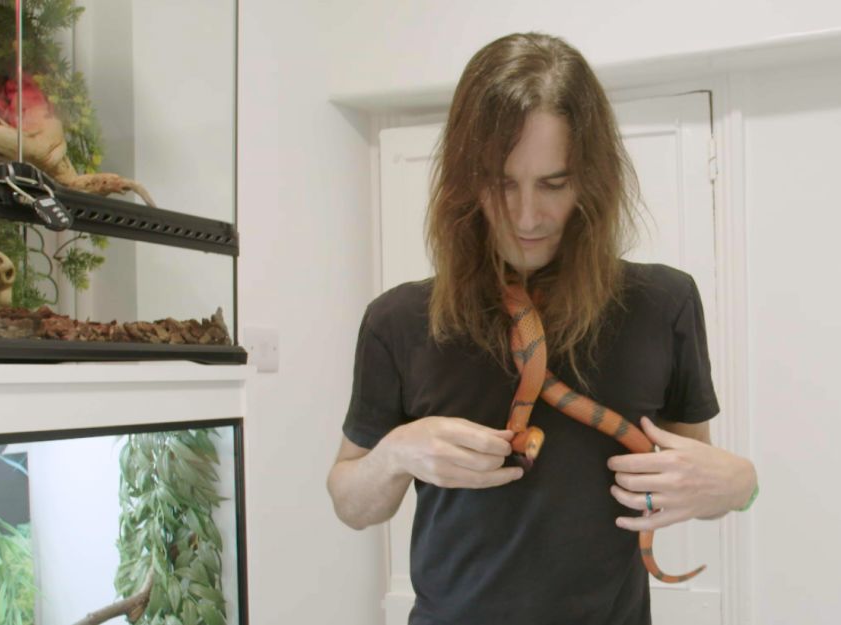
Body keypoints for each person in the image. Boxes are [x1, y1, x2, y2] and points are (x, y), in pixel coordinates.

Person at [325, 32, 759, 625]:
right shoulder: (397, 320)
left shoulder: (663, 302)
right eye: (503, 183)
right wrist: (396, 453)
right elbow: (351, 505)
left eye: (553, 183)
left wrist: (740, 484)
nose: (528, 217)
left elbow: (689, 480)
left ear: (592, 179)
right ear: (463, 179)